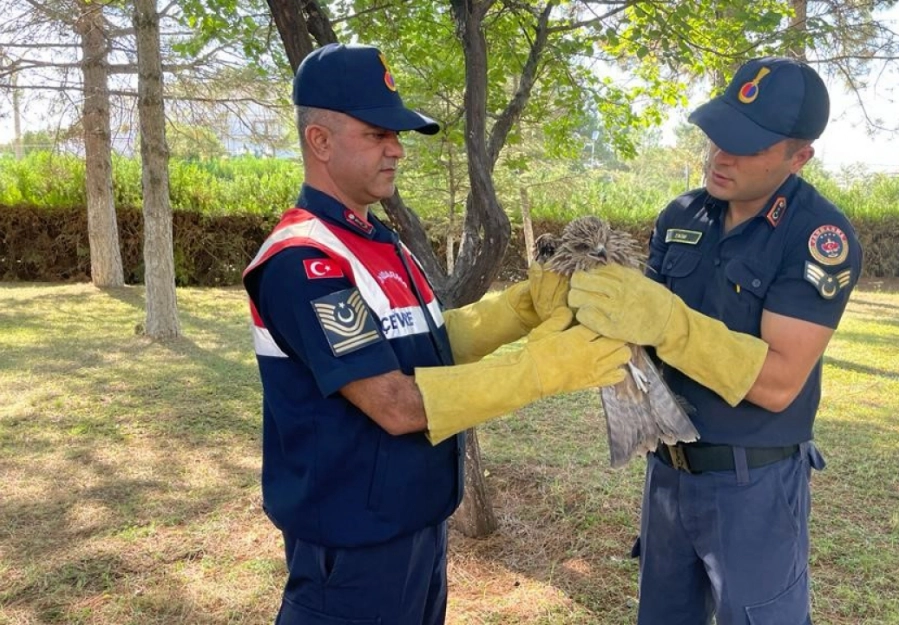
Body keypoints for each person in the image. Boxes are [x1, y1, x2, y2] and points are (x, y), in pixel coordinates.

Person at [242, 43, 630, 625]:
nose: (397, 149)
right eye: (377, 134)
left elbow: (427, 343)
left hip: (415, 525)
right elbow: (395, 404)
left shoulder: (377, 241)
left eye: (396, 135)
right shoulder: (306, 261)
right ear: (319, 141)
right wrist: (543, 366)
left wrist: (519, 309)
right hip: (352, 551)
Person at [568, 57, 863, 624]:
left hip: (751, 483)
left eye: (747, 146)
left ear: (798, 156)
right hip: (667, 472)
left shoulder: (817, 237)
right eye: (718, 136)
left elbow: (779, 383)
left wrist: (668, 323)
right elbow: (642, 335)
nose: (721, 155)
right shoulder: (682, 213)